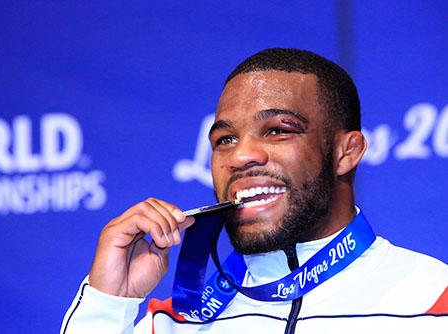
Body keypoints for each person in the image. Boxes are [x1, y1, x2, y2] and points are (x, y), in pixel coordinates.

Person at [61, 49, 447, 334]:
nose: (242, 155)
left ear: (346, 152)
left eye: (279, 130)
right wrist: (108, 302)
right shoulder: (174, 323)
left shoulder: (434, 302)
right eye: (225, 139)